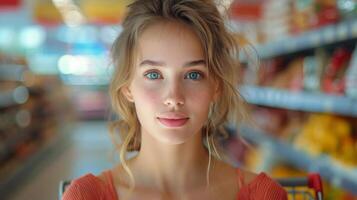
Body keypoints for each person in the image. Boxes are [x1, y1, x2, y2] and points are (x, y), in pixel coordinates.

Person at [62, 0, 287, 199]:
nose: (174, 98)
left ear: (216, 86)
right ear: (127, 87)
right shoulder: (86, 196)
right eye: (153, 74)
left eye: (193, 75)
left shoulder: (263, 195)